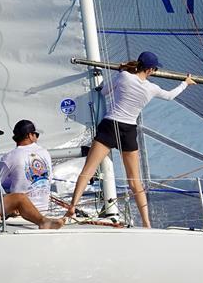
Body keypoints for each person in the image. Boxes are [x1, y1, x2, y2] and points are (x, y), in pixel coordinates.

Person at [65, 51, 194, 228]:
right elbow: (170, 96)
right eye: (155, 69)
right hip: (128, 131)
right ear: (150, 69)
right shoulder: (152, 88)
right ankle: (147, 223)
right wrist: (184, 83)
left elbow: (103, 91)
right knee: (135, 181)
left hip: (110, 126)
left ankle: (72, 206)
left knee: (88, 170)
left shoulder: (123, 76)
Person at [0, 120, 52, 214]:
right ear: (29, 135)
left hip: (21, 212)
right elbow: (49, 179)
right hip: (43, 211)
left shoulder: (9, 157)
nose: (37, 138)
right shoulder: (45, 153)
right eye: (36, 134)